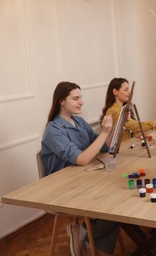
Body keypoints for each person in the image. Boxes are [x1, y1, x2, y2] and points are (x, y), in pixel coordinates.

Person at [41, 82, 119, 256]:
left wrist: (111, 129)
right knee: (114, 206)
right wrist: (104, 133)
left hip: (83, 180)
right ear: (61, 101)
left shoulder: (79, 122)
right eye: (76, 98)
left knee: (117, 202)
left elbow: (103, 147)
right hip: (63, 188)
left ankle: (84, 233)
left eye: (81, 98)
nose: (81, 102)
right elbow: (82, 159)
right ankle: (87, 236)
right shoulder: (53, 130)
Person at [101, 78, 156, 142]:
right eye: (126, 90)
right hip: (120, 150)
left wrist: (137, 135)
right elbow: (138, 127)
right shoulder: (114, 111)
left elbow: (132, 129)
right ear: (115, 92)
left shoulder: (123, 109)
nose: (129, 93)